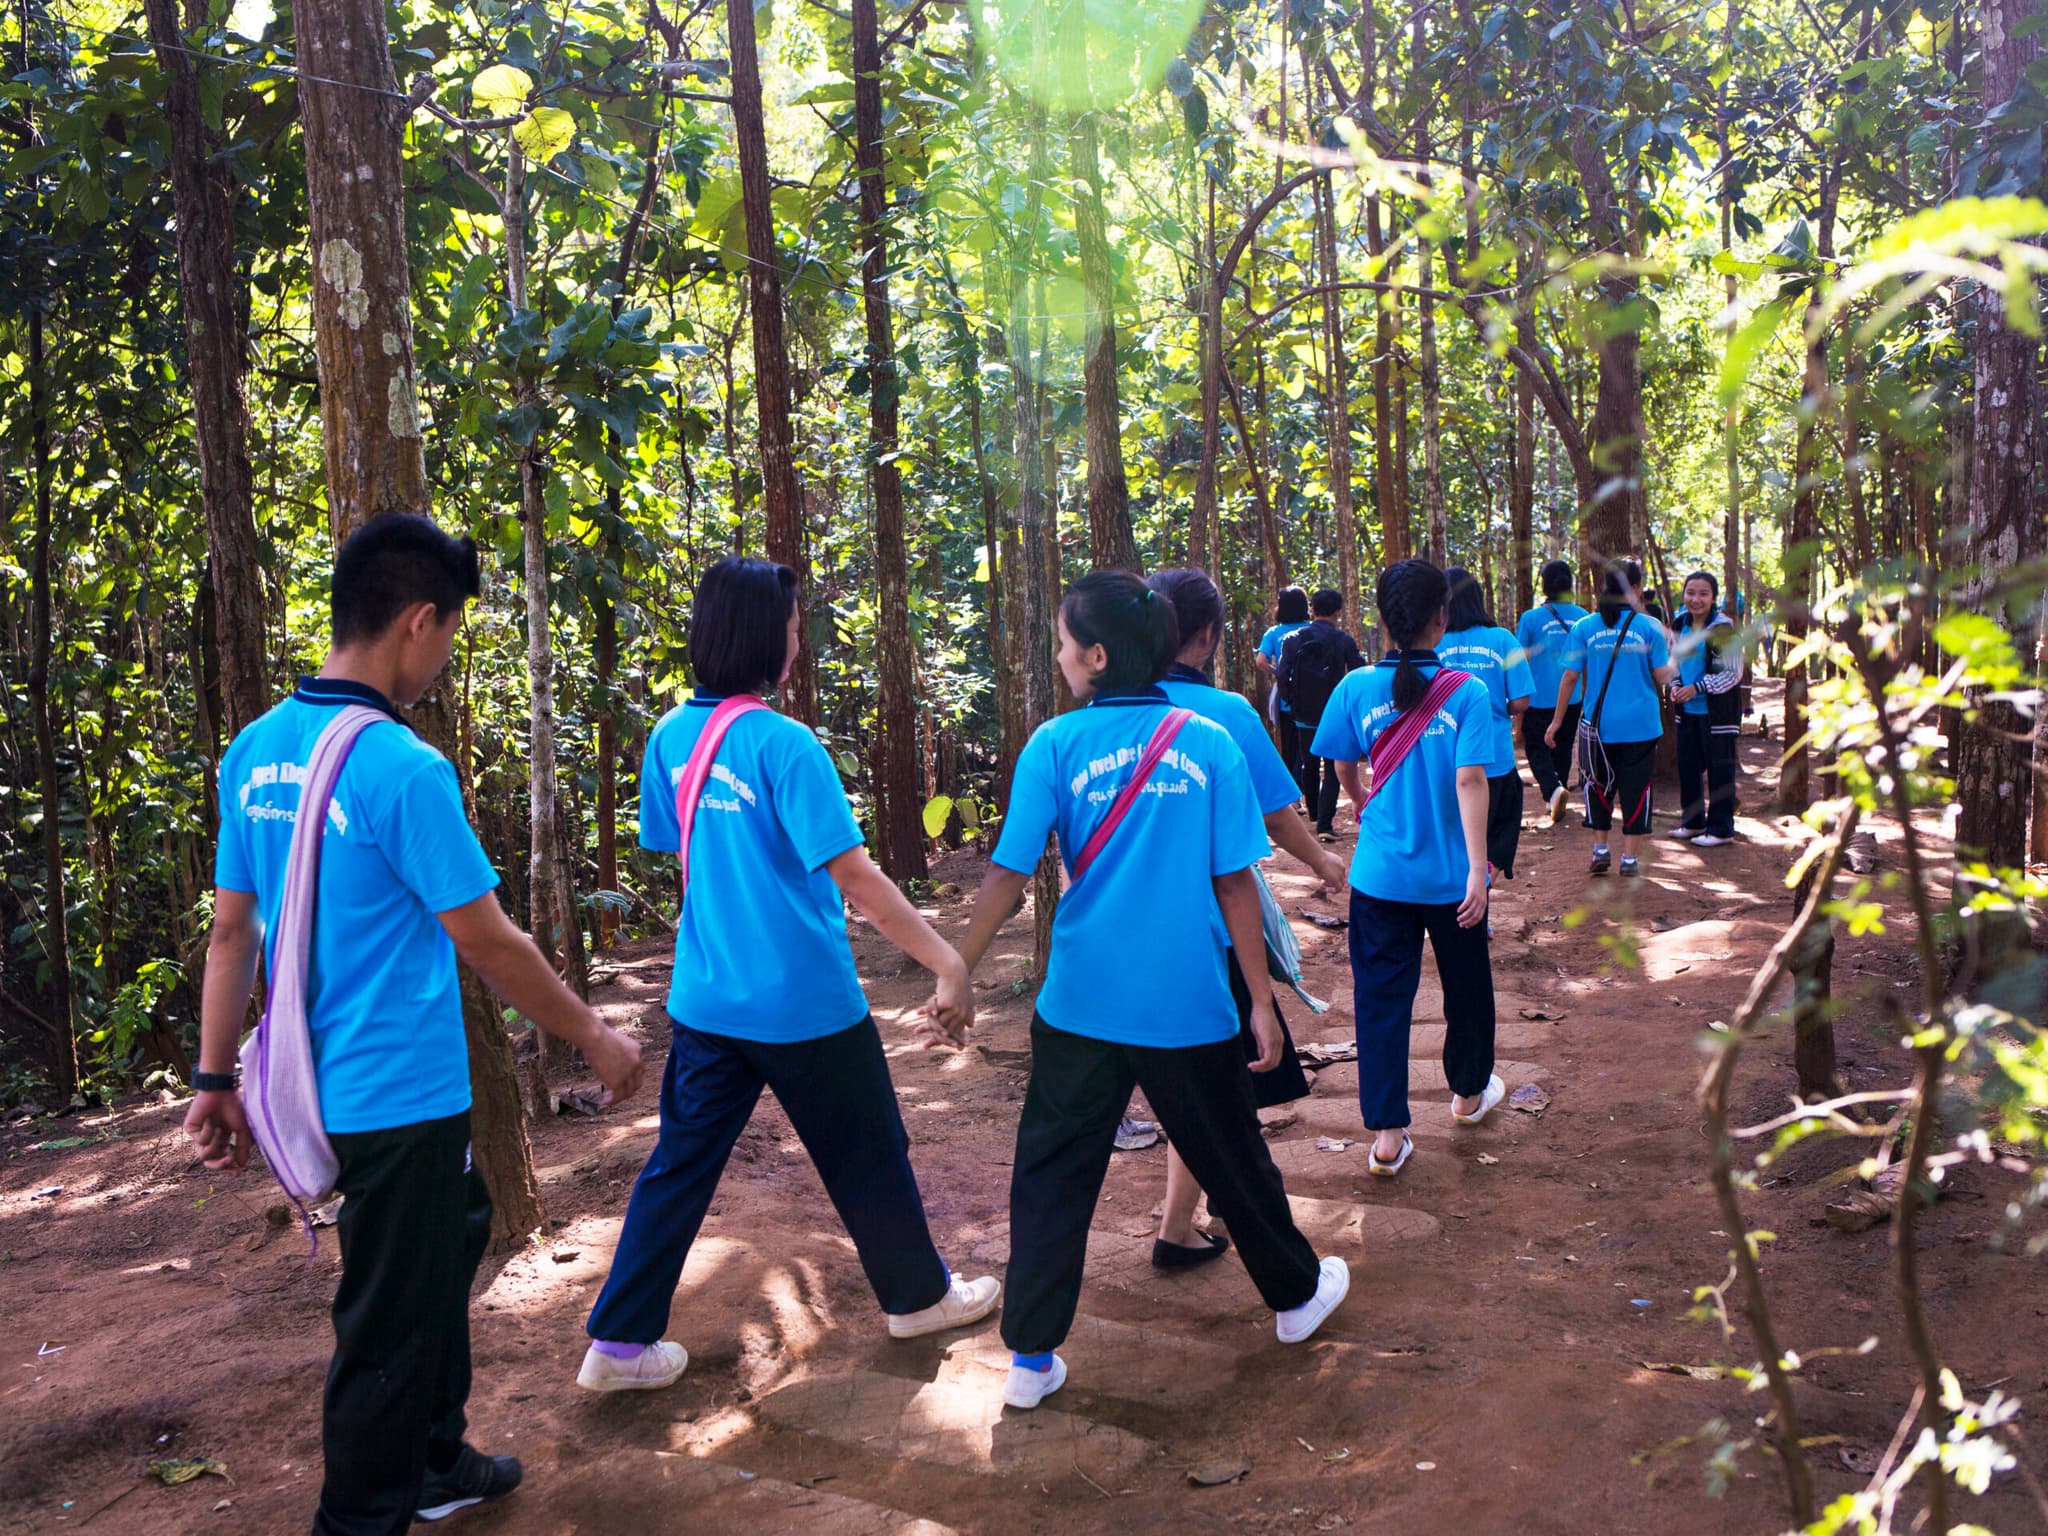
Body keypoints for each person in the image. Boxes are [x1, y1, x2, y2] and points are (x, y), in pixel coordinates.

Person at [185, 513, 648, 1533]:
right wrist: (592, 1034)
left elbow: (230, 936)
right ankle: (360, 1517)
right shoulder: (402, 769)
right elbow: (487, 941)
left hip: (314, 1090)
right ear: (419, 621)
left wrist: (215, 1082)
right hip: (398, 1094)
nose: (441, 660)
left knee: (451, 1243)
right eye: (447, 636)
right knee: (387, 1323)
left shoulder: (256, 750)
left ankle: (435, 1459)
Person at [579, 558, 1000, 1393]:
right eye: (796, 625)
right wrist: (947, 959)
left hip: (707, 998)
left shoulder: (670, 736)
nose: (800, 640)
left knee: (680, 1165)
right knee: (871, 1151)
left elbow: (676, 848)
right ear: (766, 636)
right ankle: (915, 1297)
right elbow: (858, 880)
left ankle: (618, 1345)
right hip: (804, 1001)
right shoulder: (785, 743)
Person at [950, 570, 1350, 1411]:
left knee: (1052, 1174)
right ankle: (1295, 1297)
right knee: (1232, 1157)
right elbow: (1237, 885)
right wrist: (1261, 999)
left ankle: (1029, 1356)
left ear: (1097, 656)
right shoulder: (1208, 739)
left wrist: (960, 967)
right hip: (1186, 1003)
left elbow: (1007, 876)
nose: (1058, 658)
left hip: (1082, 1003)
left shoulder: (1052, 746)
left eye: (1062, 644)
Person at [1147, 568, 1349, 1269]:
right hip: (1210, 933)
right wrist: (1324, 864)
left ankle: (1177, 1225)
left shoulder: (1093, 715)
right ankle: (1272, 1260)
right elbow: (1274, 813)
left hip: (1123, 936)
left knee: (1192, 1086)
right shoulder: (1225, 712)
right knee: (1225, 1090)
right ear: (1208, 635)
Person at [1311, 559, 1503, 1178]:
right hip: (1452, 882)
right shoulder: (1468, 692)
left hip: (1379, 879)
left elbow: (1341, 767)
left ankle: (1388, 1136)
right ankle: (1469, 1096)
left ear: (1385, 620)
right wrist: (1479, 870)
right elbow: (1472, 779)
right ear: (1441, 619)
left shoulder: (1354, 688)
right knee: (1468, 992)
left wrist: (1365, 803)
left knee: (1380, 1001)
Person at [1545, 560, 1677, 878]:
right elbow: (1663, 677)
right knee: (1636, 788)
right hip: (1641, 726)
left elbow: (1569, 679)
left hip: (1598, 726)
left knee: (1598, 786)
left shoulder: (1586, 627)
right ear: (1634, 589)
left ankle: (1600, 850)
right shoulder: (1649, 628)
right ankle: (1630, 859)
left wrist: (1557, 721)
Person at [1438, 568, 1534, 880]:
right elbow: (1521, 702)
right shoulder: (1503, 640)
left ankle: (1457, 909)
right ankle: (1481, 904)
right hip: (1494, 759)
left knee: (1453, 840)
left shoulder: (1434, 644)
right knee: (1494, 841)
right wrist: (1496, 707)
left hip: (1445, 759)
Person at [1276, 588, 1366, 840]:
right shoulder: (1343, 640)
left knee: (1309, 763)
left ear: (1312, 609)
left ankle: (1314, 812)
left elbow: (1282, 674)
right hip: (1334, 712)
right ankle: (1325, 825)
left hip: (1304, 712)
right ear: (1338, 611)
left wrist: (1291, 701)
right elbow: (1358, 672)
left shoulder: (1293, 639)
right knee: (1333, 767)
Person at [1667, 570, 1742, 847]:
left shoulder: (1723, 628)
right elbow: (1672, 661)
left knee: (1720, 769)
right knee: (1688, 767)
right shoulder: (1679, 624)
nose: (1695, 599)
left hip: (1717, 713)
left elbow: (1733, 672)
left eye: (1703, 594)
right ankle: (1693, 822)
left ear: (1713, 598)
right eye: (1691, 592)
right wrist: (1675, 685)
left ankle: (1721, 829)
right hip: (1687, 711)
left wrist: (1697, 688)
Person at [1515, 559, 1589, 823]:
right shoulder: (1582, 616)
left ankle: (1553, 790)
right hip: (1572, 696)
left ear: (1544, 583)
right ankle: (1556, 794)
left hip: (1539, 697)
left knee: (1535, 746)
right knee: (1562, 744)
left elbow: (1520, 659)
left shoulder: (1531, 618)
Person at [1255, 587, 1314, 785]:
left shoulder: (1273, 633)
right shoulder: (1313, 629)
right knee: (1313, 746)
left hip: (1286, 698)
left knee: (1290, 748)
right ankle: (1315, 794)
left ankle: (1295, 798)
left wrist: (1279, 673)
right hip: (1315, 697)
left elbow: (1260, 662)